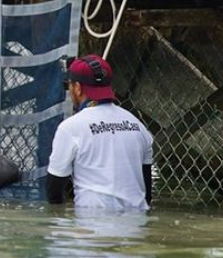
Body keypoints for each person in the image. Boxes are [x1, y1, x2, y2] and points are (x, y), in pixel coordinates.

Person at [47, 55, 153, 211]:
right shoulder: (139, 126)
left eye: (68, 85)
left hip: (91, 225)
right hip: (135, 225)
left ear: (77, 87)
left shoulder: (70, 128)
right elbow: (147, 194)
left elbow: (54, 192)